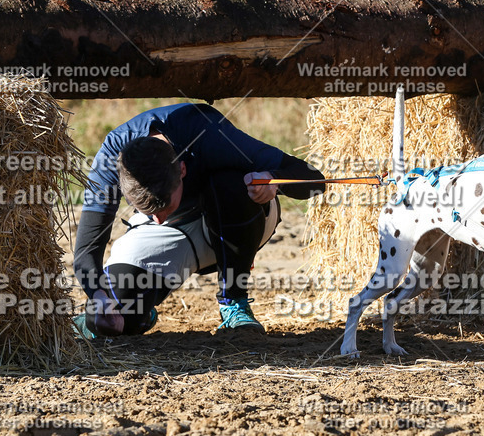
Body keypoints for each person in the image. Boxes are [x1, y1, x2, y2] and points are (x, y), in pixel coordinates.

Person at [72, 102, 324, 338]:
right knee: (111, 317)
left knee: (231, 185)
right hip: (170, 232)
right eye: (147, 209)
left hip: (232, 220)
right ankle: (137, 314)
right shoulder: (111, 158)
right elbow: (87, 249)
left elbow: (315, 180)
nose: (157, 218)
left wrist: (273, 179)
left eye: (163, 206)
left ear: (182, 169)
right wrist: (98, 296)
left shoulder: (210, 134)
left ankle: (234, 303)